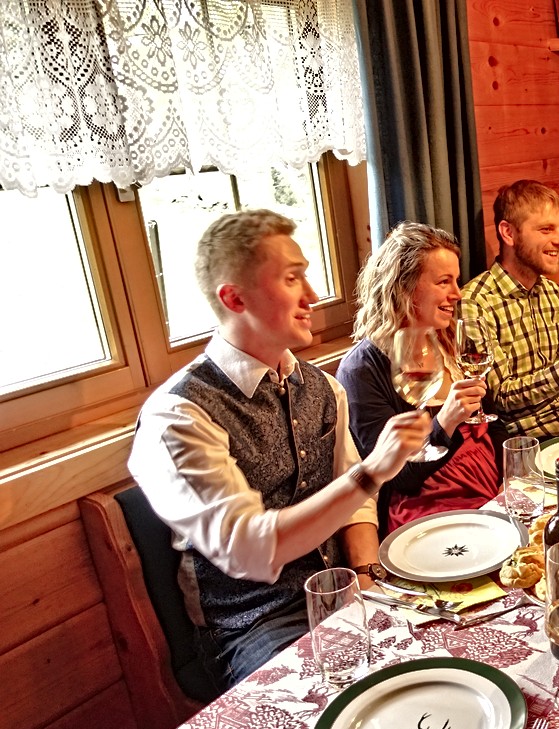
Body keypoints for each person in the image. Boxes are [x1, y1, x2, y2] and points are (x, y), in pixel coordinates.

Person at [128, 209, 430, 690]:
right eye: (292, 278)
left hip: (346, 588)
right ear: (234, 297)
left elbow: (356, 507)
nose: (311, 296)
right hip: (254, 625)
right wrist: (371, 473)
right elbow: (249, 548)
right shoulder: (178, 416)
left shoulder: (322, 388)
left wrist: (369, 581)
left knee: (441, 661)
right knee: (354, 709)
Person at [337, 221, 502, 534]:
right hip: (425, 514)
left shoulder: (451, 338)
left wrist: (514, 476)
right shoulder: (361, 370)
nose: (457, 293)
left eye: (456, 280)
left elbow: (494, 423)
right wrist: (446, 424)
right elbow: (398, 478)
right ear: (404, 287)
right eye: (443, 282)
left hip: (489, 494)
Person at [460, 180, 559, 439]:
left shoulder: (551, 292)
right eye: (546, 229)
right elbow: (501, 398)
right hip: (535, 437)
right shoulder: (476, 302)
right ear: (508, 233)